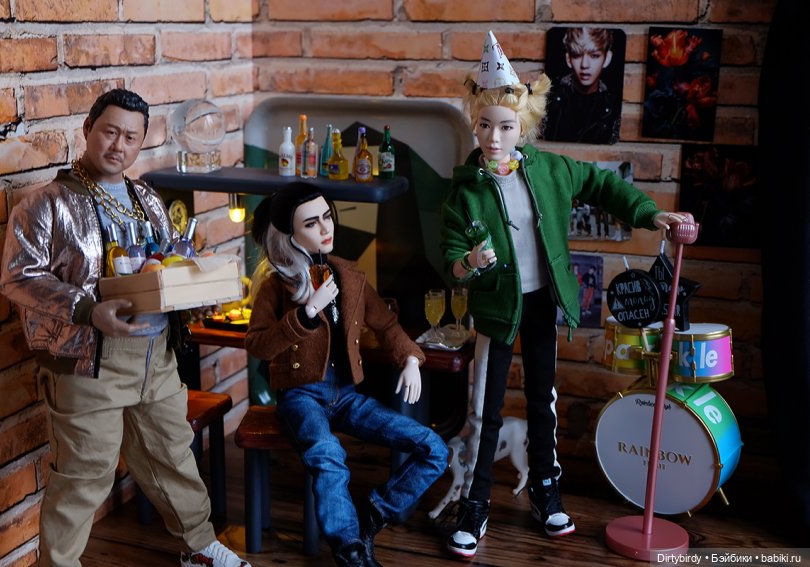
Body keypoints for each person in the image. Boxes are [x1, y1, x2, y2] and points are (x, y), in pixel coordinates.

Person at [439, 31, 687, 558]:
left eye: (506, 126)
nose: (494, 137)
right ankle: (475, 504)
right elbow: (451, 260)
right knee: (483, 408)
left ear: (524, 127)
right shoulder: (464, 192)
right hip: (496, 310)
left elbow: (604, 187)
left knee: (543, 402)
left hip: (542, 303)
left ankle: (546, 493)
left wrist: (649, 214)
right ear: (474, 123)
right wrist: (470, 262)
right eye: (484, 125)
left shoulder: (551, 170)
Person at [0, 89, 250, 567]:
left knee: (172, 457)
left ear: (141, 142)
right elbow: (18, 278)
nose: (118, 145)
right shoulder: (44, 204)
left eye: (131, 137)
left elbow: (169, 262)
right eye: (109, 132)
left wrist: (193, 295)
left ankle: (199, 548)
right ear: (88, 129)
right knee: (84, 475)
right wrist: (87, 309)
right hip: (87, 362)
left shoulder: (148, 199)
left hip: (158, 357)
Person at [245, 182, 448, 567]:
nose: (326, 228)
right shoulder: (277, 286)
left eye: (327, 217)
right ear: (291, 235)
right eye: (311, 223)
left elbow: (385, 324)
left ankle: (373, 513)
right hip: (301, 395)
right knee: (328, 454)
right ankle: (350, 550)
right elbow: (257, 345)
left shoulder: (349, 276)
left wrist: (410, 358)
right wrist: (306, 312)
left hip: (346, 394)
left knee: (433, 448)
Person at [543, 27, 622, 144]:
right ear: (568, 59)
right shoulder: (551, 97)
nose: (585, 65)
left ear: (607, 58)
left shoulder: (612, 105)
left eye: (594, 56)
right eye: (577, 55)